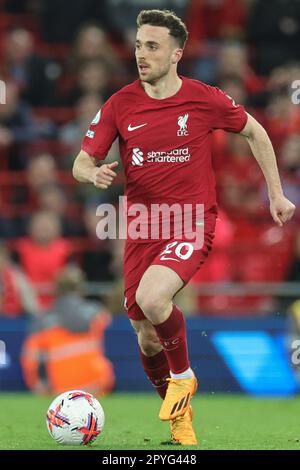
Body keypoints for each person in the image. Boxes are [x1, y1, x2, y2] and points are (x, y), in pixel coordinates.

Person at [72, 9, 296, 446]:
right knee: (145, 336)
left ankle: (185, 376)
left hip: (190, 222)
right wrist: (91, 174)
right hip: (141, 227)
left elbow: (256, 133)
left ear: (176, 53)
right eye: (138, 45)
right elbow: (82, 160)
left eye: (152, 46)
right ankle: (180, 421)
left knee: (153, 298)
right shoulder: (120, 103)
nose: (141, 54)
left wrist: (276, 193)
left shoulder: (203, 98)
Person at [21, 265, 115, 395]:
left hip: (61, 391)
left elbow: (30, 359)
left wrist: (36, 384)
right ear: (81, 287)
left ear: (57, 289)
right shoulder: (98, 314)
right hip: (97, 387)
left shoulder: (43, 320)